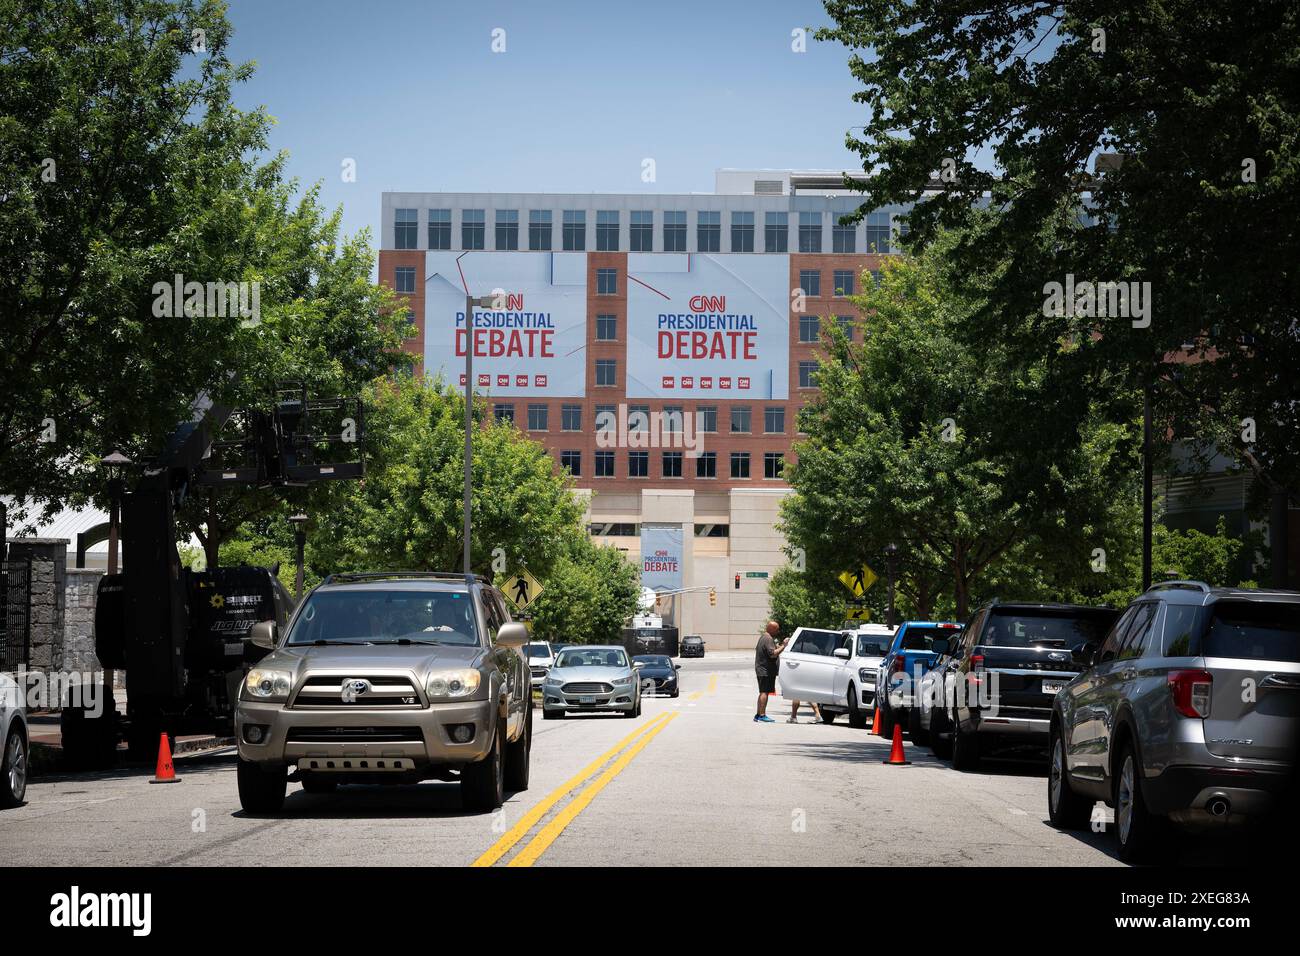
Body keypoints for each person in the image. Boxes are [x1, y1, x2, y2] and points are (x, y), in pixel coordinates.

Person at [754, 621, 782, 722]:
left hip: (763, 669)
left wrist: (778, 647)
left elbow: (769, 651)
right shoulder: (768, 638)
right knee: (764, 692)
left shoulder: (764, 637)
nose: (778, 631)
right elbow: (773, 654)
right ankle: (762, 715)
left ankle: (758, 714)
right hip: (765, 670)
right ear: (771, 629)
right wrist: (784, 646)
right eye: (777, 629)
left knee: (763, 692)